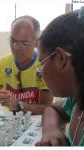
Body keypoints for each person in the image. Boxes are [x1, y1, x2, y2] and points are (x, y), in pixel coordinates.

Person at [0, 16, 53, 115]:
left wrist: (18, 105)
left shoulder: (45, 66)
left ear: (37, 43)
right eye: (13, 41)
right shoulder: (2, 64)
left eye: (24, 43)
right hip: (9, 123)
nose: (16, 48)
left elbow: (46, 109)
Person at [35, 7, 84, 146]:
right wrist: (50, 129)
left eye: (41, 64)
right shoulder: (75, 101)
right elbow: (53, 109)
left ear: (61, 58)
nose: (40, 72)